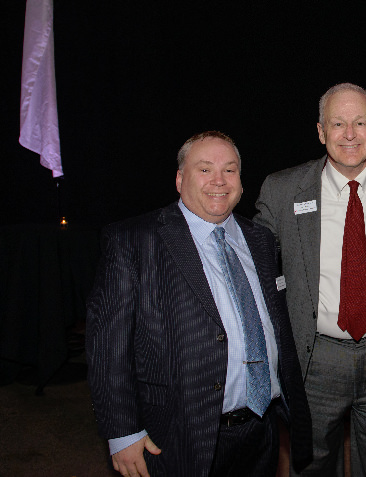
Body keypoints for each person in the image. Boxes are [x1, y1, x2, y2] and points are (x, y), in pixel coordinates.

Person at [86, 131, 312, 477]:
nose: (219, 181)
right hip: (177, 435)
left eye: (230, 170)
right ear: (180, 179)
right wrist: (122, 431)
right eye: (204, 170)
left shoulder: (260, 240)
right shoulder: (134, 241)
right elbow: (107, 347)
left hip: (260, 430)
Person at [254, 83, 366, 476]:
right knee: (313, 464)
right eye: (338, 123)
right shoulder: (282, 191)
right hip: (316, 359)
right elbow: (253, 266)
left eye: (360, 122)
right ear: (320, 131)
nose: (350, 134)